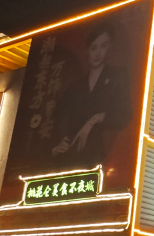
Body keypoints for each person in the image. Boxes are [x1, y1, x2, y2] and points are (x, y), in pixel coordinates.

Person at [52, 22, 132, 168]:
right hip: (69, 158)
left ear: (110, 46)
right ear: (87, 50)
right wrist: (55, 146)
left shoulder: (118, 76)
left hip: (99, 158)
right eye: (93, 48)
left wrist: (95, 119)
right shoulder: (75, 87)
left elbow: (124, 116)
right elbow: (54, 118)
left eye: (103, 46)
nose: (98, 53)